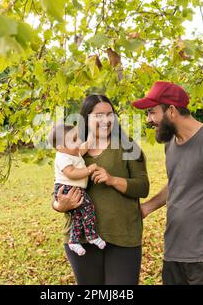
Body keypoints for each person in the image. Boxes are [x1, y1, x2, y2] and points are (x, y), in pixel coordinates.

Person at [133, 81, 203, 285]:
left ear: (172, 110)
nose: (149, 120)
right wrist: (147, 207)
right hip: (174, 253)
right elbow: (178, 182)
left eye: (152, 112)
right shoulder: (171, 143)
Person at [52, 94, 149, 285]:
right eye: (98, 115)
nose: (105, 120)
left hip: (123, 235)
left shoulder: (127, 146)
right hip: (81, 239)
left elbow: (143, 187)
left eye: (109, 114)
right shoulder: (72, 148)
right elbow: (58, 189)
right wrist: (60, 205)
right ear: (86, 118)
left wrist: (112, 179)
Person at [49, 123, 106, 256]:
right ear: (60, 147)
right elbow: (71, 173)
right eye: (74, 140)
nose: (79, 142)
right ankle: (91, 235)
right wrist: (89, 170)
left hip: (74, 188)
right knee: (88, 208)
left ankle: (74, 241)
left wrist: (92, 137)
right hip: (67, 189)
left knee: (79, 216)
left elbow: (83, 148)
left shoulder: (73, 153)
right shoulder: (62, 157)